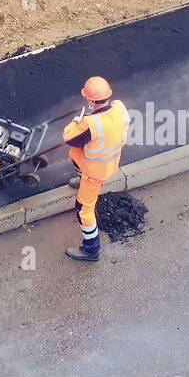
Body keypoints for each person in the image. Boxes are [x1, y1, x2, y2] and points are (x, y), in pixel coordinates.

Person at [62, 76, 129, 262]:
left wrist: (76, 121)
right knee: (77, 155)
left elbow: (69, 138)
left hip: (94, 173)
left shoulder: (91, 124)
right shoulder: (119, 108)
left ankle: (91, 249)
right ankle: (81, 178)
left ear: (91, 100)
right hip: (110, 162)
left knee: (83, 209)